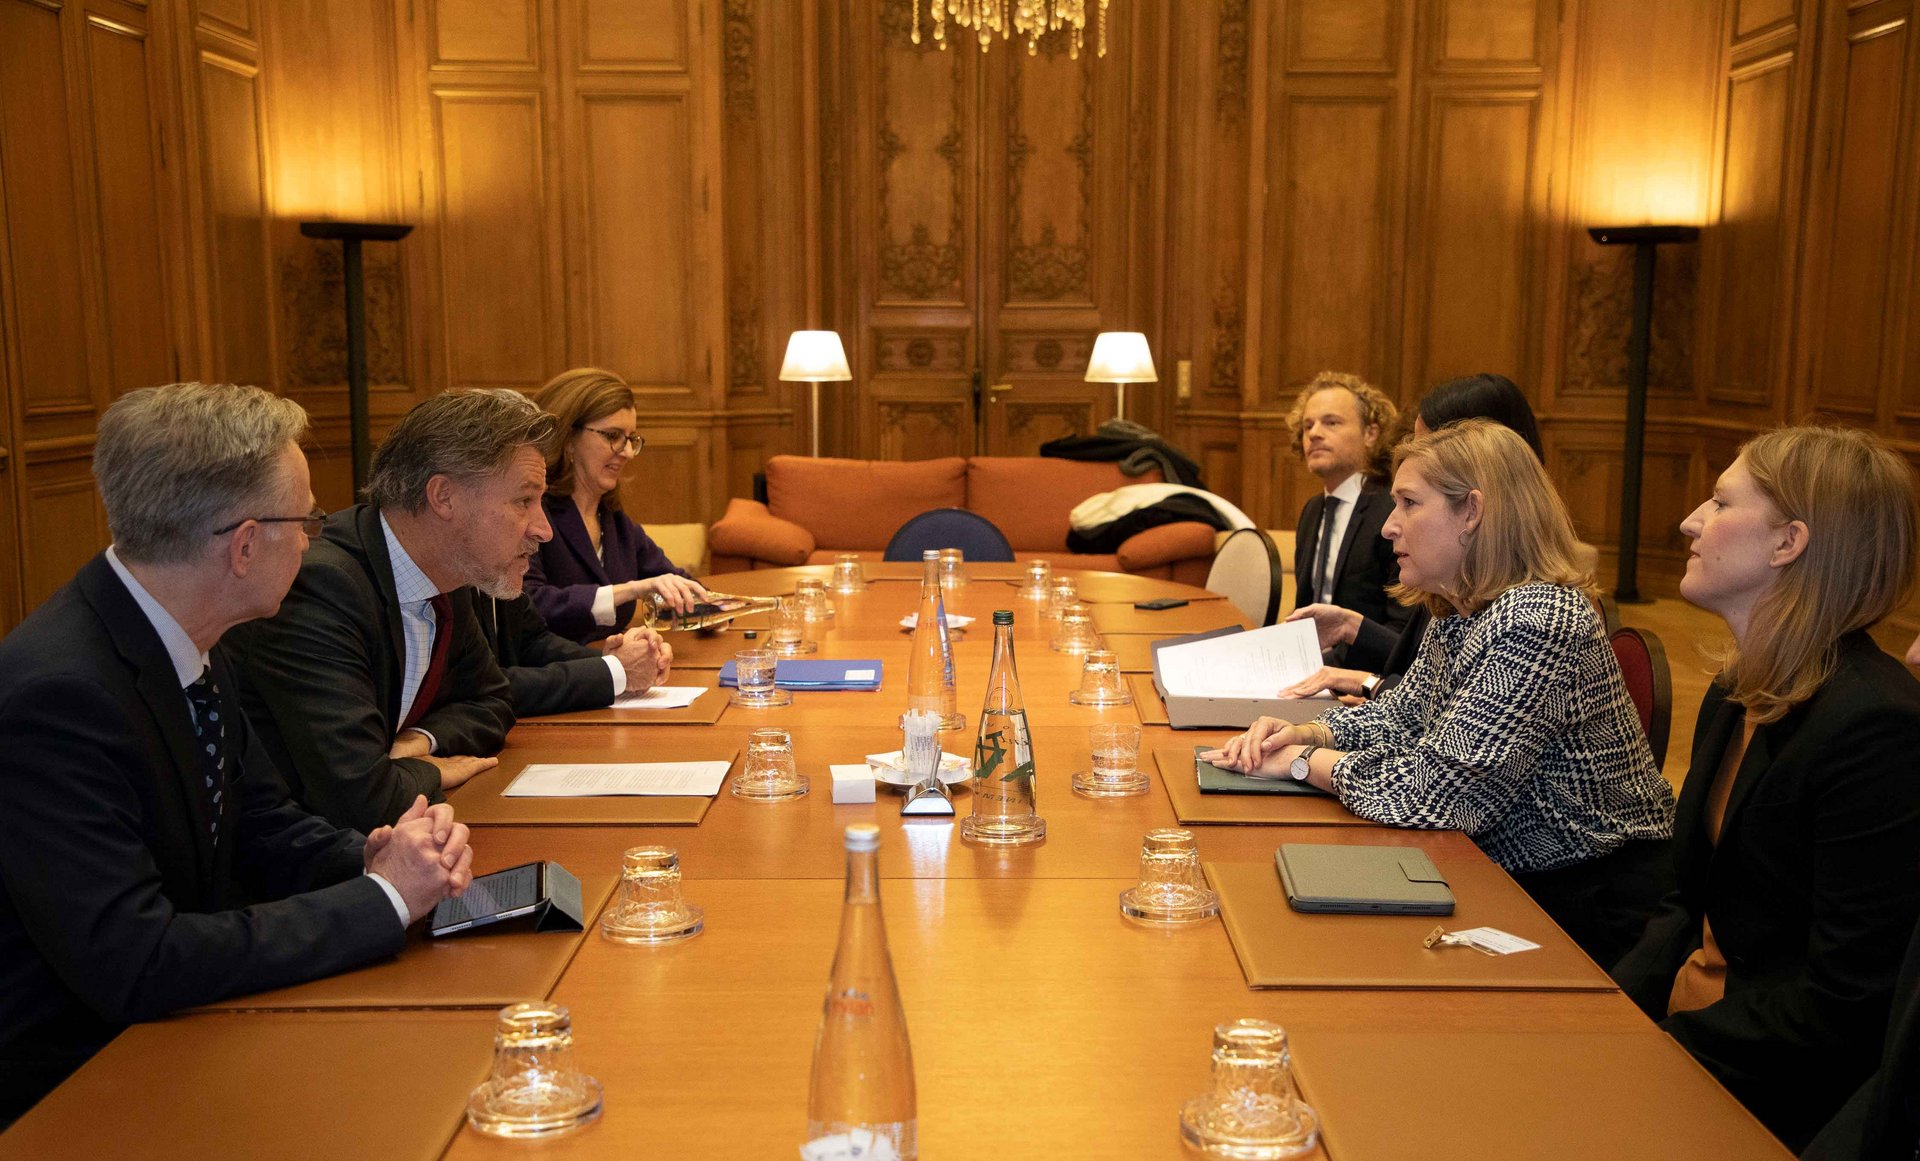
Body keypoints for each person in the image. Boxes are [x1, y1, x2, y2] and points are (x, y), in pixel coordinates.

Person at [0, 383, 474, 1126]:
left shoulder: (189, 634)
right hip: (77, 1089)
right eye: (308, 519)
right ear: (246, 543)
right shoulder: (57, 696)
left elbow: (260, 823)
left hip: (186, 1031)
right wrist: (380, 900)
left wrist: (374, 854)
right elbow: (137, 958)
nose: (317, 536)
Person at [1207, 420, 1674, 964]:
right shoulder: (1462, 608)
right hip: (1499, 869)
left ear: (1471, 512)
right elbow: (1401, 717)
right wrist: (1307, 730)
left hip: (1584, 903)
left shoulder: (1541, 619)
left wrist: (1301, 763)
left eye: (1408, 504)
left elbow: (1440, 793)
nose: (1388, 526)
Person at [1611, 426, 1920, 1151]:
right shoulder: (1735, 688)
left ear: (1788, 543)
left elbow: (1845, 1001)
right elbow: (1687, 904)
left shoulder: (1876, 726)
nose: (1690, 520)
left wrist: (1658, 1048)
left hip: (1762, 1089)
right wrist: (1607, 1012)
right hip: (1682, 1038)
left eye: (1719, 502)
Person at [227, 390, 566, 832]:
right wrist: (433, 769)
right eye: (524, 501)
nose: (544, 529)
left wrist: (420, 741)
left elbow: (493, 699)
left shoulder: (447, 570)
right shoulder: (319, 587)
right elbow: (360, 798)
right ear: (444, 497)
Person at [1288, 373, 1547, 697]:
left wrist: (1309, 745)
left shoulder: (1532, 620)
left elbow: (1449, 741)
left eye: (1410, 502)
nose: (1390, 526)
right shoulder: (1452, 601)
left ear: (1471, 504)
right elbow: (1409, 710)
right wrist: (1315, 735)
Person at [524, 367, 708, 643]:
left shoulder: (615, 522)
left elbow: (680, 585)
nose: (628, 452)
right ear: (568, 438)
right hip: (553, 678)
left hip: (615, 671)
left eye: (631, 439)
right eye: (613, 436)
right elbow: (530, 605)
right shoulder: (532, 514)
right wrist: (631, 590)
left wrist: (711, 611)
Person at [1284, 371, 1413, 660]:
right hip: (1309, 667)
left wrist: (1332, 664)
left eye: (1331, 422)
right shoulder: (1313, 511)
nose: (1314, 433)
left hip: (1366, 676)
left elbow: (1401, 634)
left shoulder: (1392, 511)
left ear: (1371, 434)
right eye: (1307, 426)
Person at [478, 592, 674, 718]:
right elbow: (484, 687)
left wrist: (619, 659)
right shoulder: (453, 587)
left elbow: (533, 642)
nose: (545, 533)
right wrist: (611, 671)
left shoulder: (497, 570)